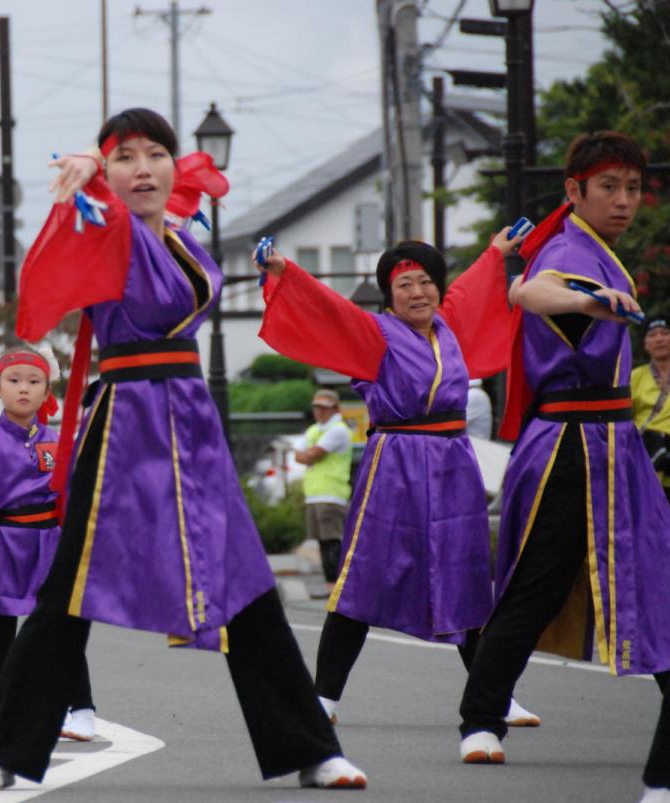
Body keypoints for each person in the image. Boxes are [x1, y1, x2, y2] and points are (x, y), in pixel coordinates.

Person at [0, 108, 365, 792]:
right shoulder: (98, 227)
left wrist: (112, 173)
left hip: (191, 420)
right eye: (125, 157)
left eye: (155, 155)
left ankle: (312, 749)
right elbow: (59, 261)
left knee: (248, 587)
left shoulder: (182, 238)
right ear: (106, 172)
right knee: (66, 595)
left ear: (173, 167)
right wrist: (88, 178)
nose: (142, 169)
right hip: (125, 421)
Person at [457, 132, 670, 801]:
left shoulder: (597, 249)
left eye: (632, 187)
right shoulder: (570, 252)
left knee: (653, 573)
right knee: (540, 582)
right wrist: (585, 300)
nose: (624, 200)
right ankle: (480, 717)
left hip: (612, 441)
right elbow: (531, 291)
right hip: (571, 445)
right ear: (574, 190)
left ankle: (482, 716)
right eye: (609, 186)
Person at [256, 230, 540, 727]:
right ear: (389, 296)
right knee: (363, 577)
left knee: (467, 577)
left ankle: (496, 696)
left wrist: (496, 251)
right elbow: (329, 309)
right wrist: (285, 272)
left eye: (426, 282)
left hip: (453, 465)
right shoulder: (375, 333)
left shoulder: (449, 328)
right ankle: (323, 699)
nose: (417, 292)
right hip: (396, 465)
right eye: (404, 285)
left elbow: (472, 290)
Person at [0, 346, 96, 741]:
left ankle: (81, 710)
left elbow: (76, 495)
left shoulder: (60, 442)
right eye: (14, 381)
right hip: (4, 547)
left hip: (52, 544)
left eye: (34, 381)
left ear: (47, 391)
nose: (23, 389)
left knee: (61, 628)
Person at [296, 389, 352, 585]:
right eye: (316, 407)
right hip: (315, 494)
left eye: (324, 407)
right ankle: (331, 585)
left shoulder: (337, 430)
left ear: (335, 408)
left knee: (332, 543)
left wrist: (308, 454)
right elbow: (299, 455)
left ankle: (336, 587)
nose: (319, 411)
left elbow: (311, 455)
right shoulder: (314, 430)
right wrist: (307, 455)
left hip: (331, 494)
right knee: (323, 543)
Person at [632, 314, 670, 502]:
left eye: (664, 333)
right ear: (645, 344)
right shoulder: (635, 377)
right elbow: (625, 420)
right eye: (652, 335)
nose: (659, 339)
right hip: (646, 454)